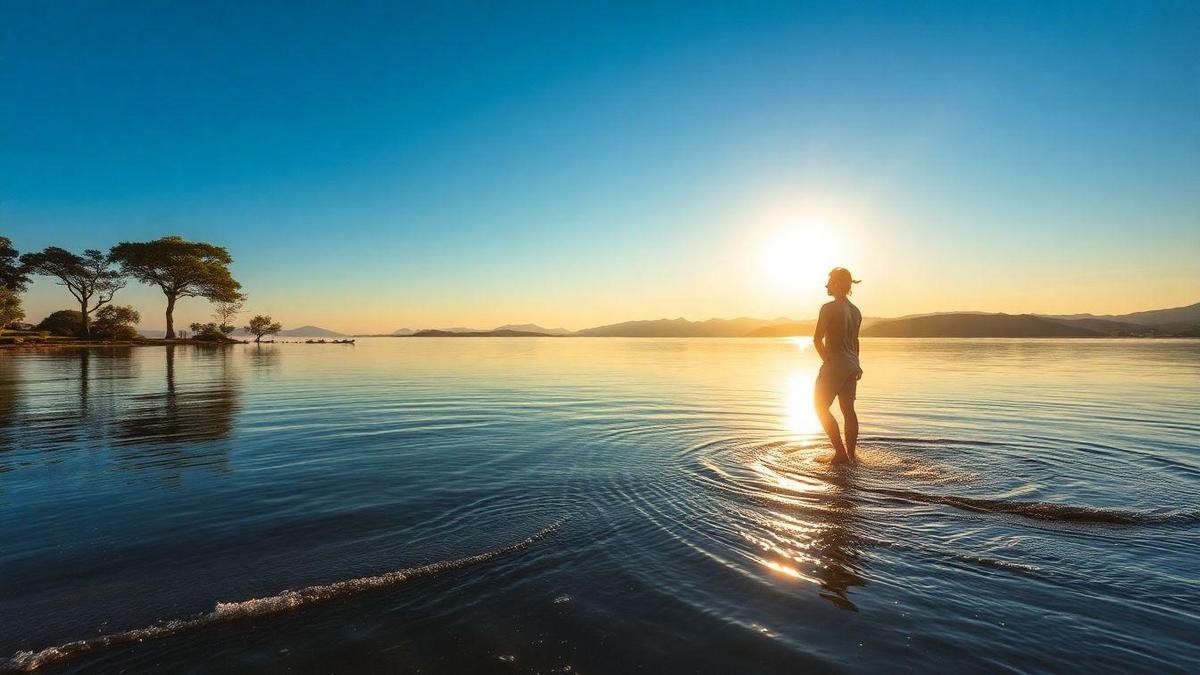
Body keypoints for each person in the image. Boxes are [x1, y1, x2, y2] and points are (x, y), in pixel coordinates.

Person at [812, 267, 862, 463]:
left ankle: (840, 454)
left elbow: (817, 339)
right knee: (848, 410)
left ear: (839, 284)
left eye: (831, 281)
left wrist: (827, 361)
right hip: (852, 364)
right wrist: (856, 364)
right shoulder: (856, 311)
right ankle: (851, 454)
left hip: (835, 363)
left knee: (819, 406)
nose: (828, 285)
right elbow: (855, 342)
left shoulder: (828, 308)